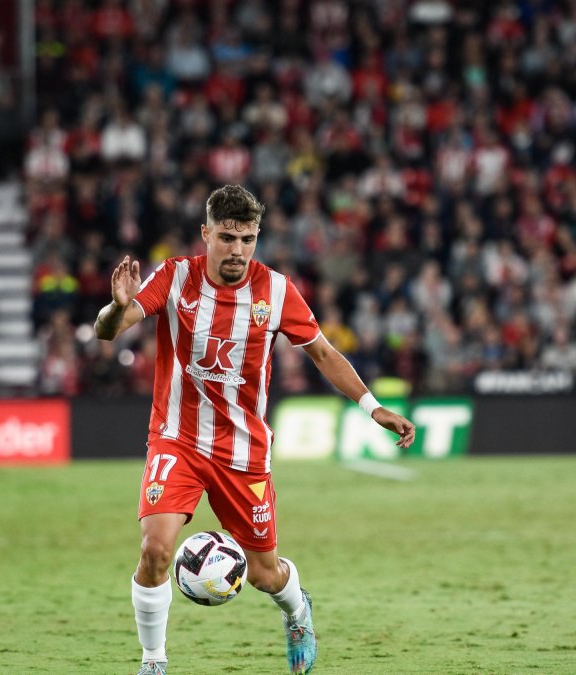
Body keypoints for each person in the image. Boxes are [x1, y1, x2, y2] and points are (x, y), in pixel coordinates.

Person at [95, 185, 416, 675]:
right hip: (176, 439)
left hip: (242, 452)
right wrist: (118, 306)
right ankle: (153, 661)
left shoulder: (277, 290)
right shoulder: (175, 277)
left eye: (248, 239)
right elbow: (108, 330)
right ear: (206, 234)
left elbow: (324, 354)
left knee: (266, 574)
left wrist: (372, 407)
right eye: (227, 238)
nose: (238, 250)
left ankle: (297, 611)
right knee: (155, 547)